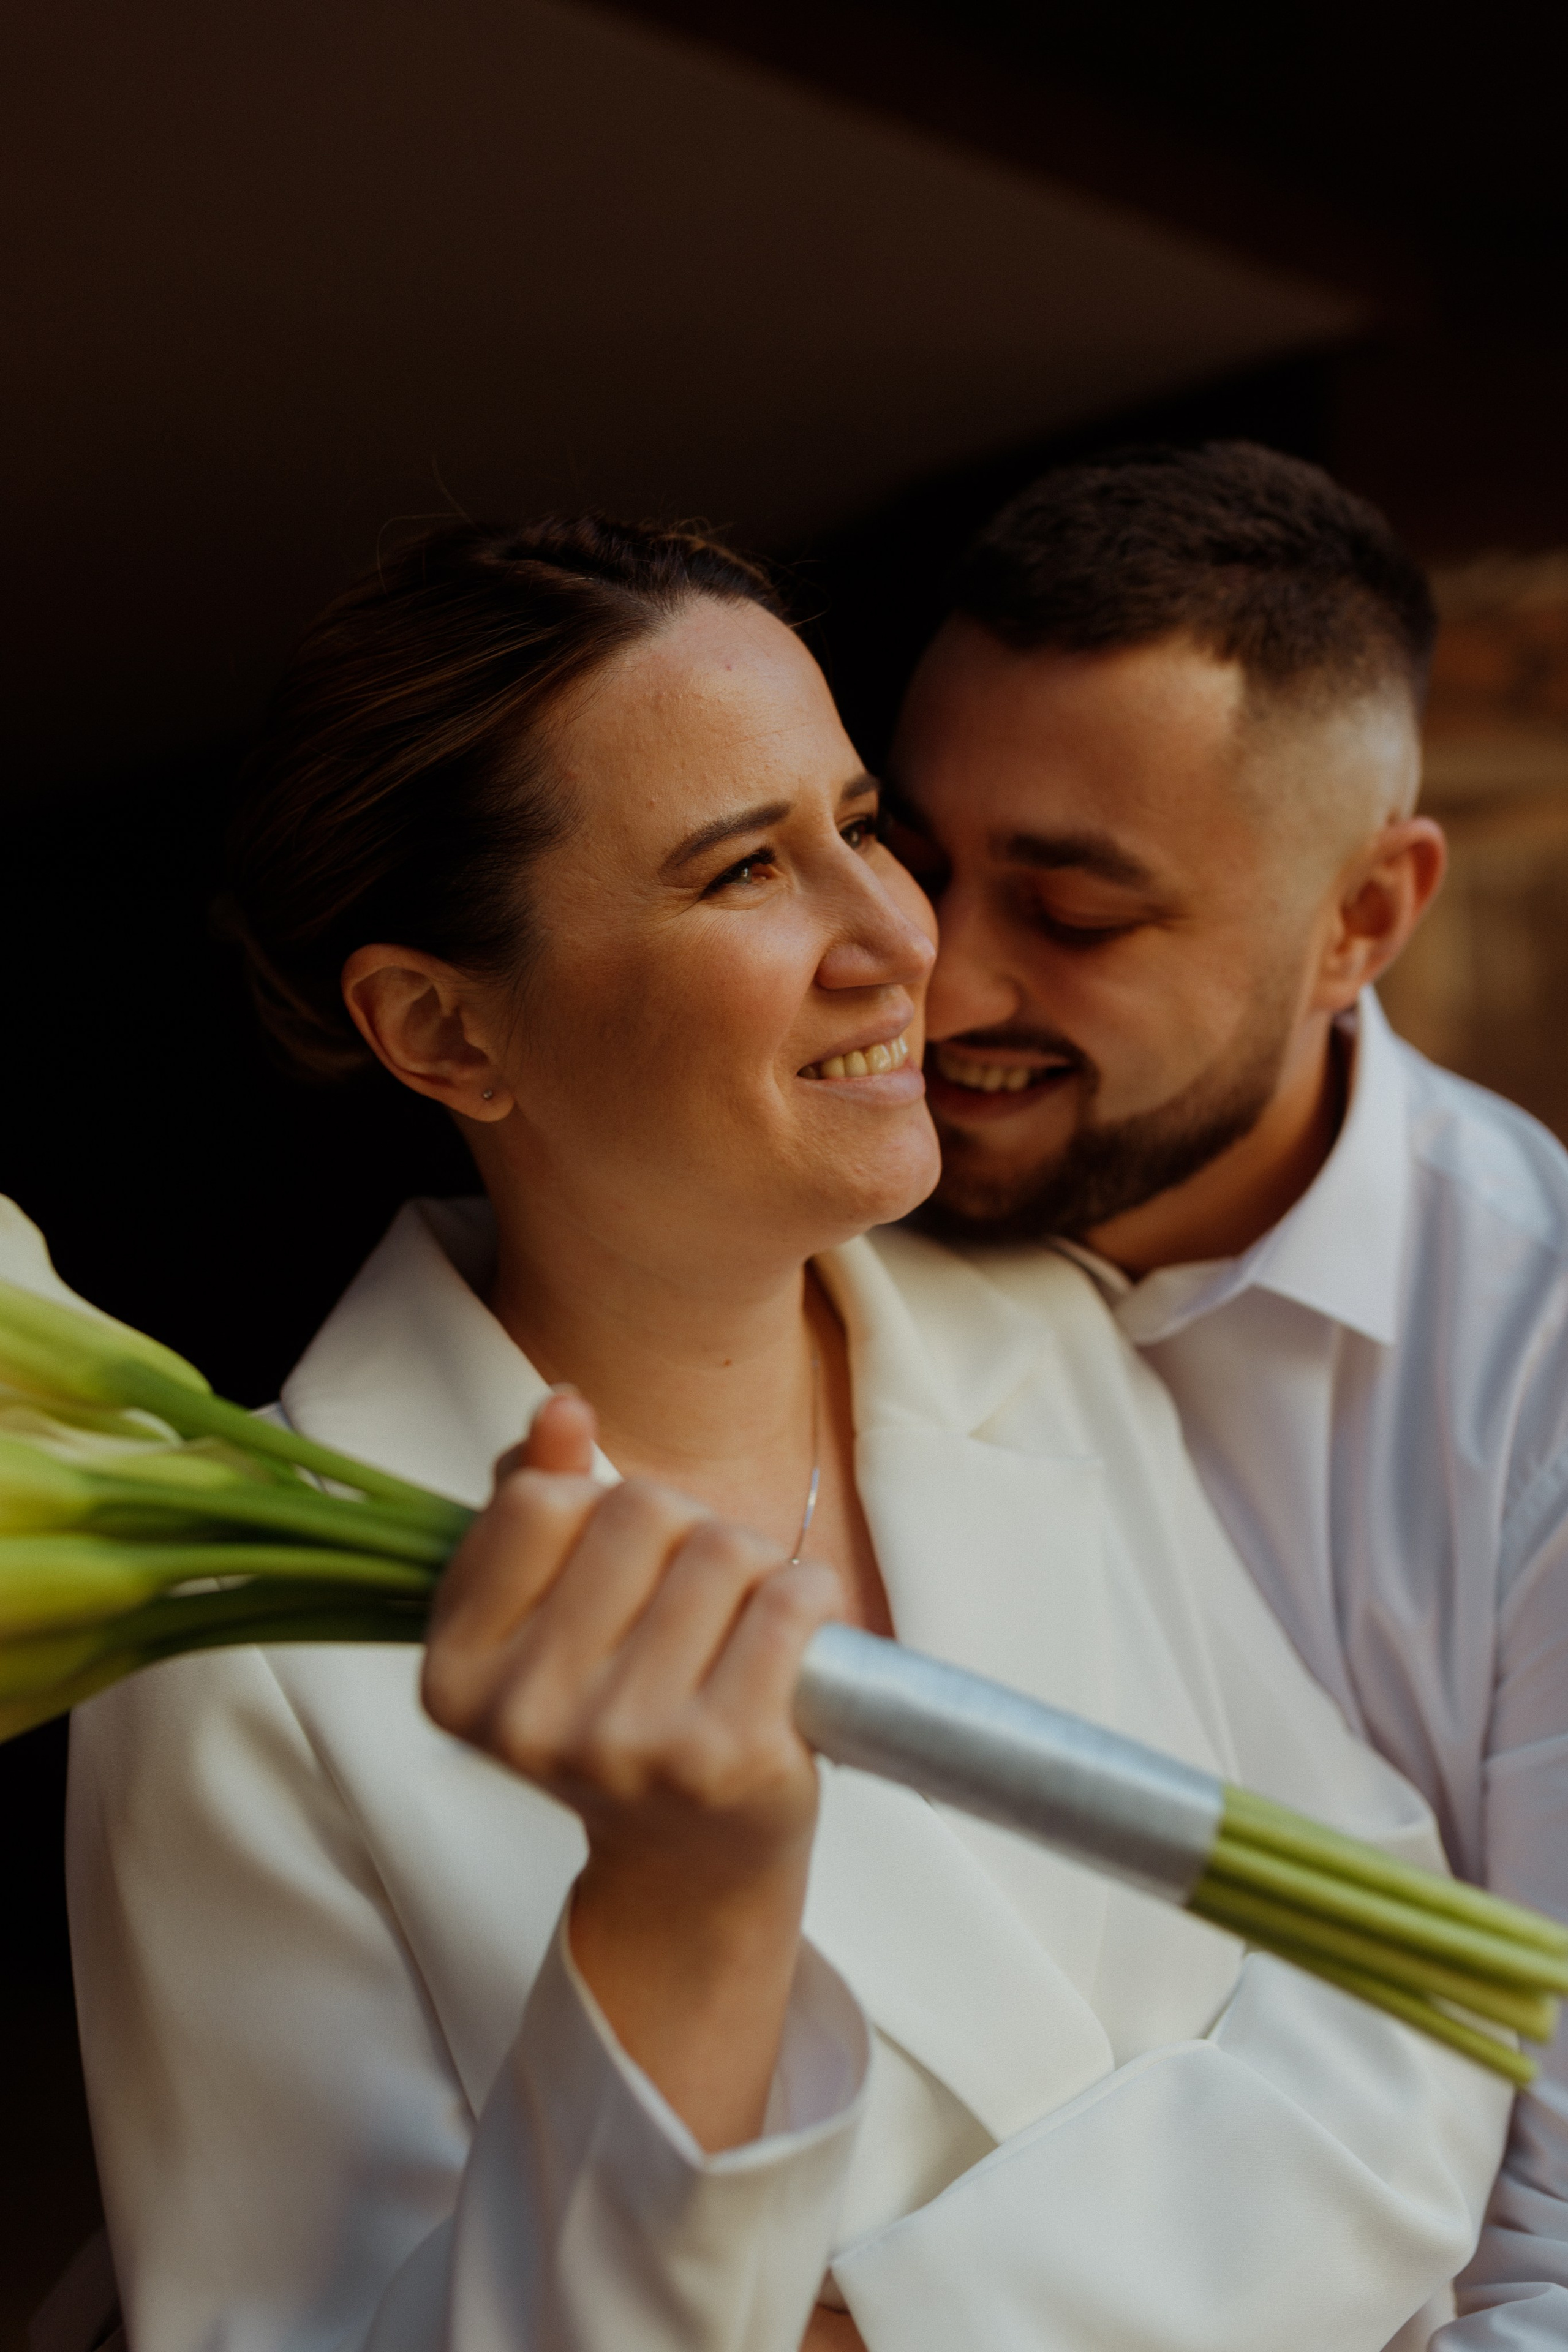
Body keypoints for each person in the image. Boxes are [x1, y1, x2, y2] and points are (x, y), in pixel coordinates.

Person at [66, 516, 1509, 2352]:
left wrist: (886, 2328)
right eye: (746, 868)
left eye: (860, 822)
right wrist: (677, 1925)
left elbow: (1411, 1994)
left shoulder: (1035, 1335)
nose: (905, 936)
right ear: (443, 1030)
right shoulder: (242, 1668)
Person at [889, 440, 1568, 2350]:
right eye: (917, 865)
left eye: (1074, 914)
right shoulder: (805, 1229)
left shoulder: (1540, 1393)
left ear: (1365, 917)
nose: (936, 987)